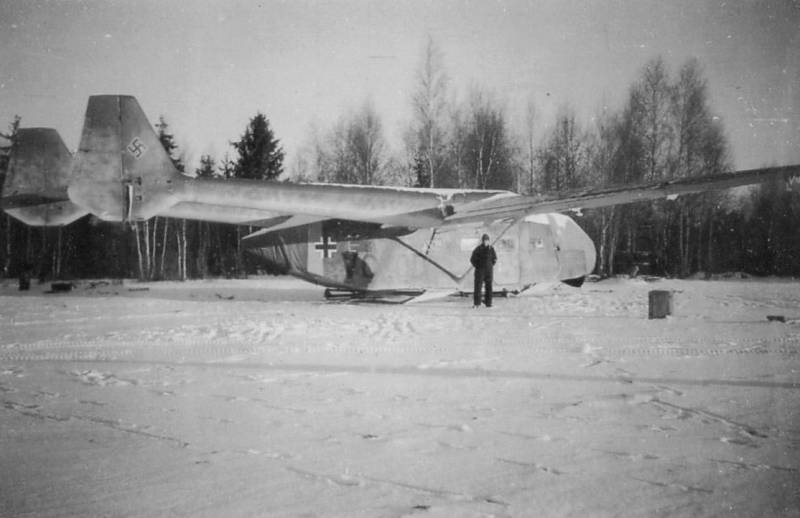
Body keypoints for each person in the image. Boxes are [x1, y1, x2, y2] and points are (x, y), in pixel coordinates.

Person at [470, 233, 497, 307]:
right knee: (478, 287)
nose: (486, 242)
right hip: (480, 271)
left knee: (489, 287)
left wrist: (490, 266)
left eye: (487, 240)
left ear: (489, 241)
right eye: (484, 240)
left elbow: (494, 259)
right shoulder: (478, 249)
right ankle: (477, 303)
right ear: (482, 241)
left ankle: (488, 303)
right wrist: (478, 266)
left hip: (489, 271)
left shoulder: (491, 249)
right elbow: (472, 259)